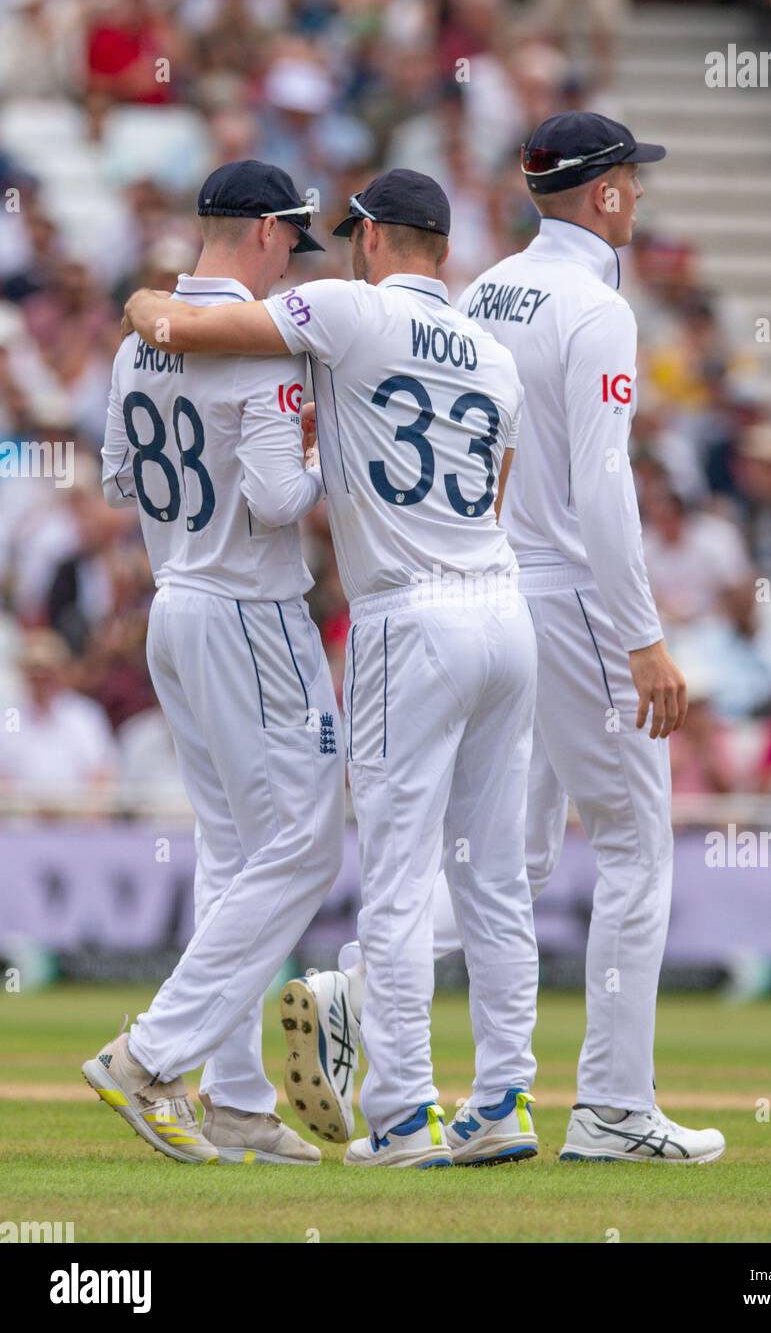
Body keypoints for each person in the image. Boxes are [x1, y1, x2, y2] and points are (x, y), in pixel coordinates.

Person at [328, 115, 727, 1165]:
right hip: (568, 597)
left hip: (487, 581)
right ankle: (612, 1105)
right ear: (602, 196)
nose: (638, 197)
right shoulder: (595, 308)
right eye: (632, 182)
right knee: (638, 847)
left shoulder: (486, 287)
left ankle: (351, 997)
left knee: (516, 856)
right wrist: (641, 635)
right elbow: (601, 482)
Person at [123, 169, 541, 1171]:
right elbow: (499, 490)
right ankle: (505, 1102)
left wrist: (144, 303)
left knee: (393, 882)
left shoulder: (348, 310)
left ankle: (401, 1115)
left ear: (373, 239)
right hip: (501, 606)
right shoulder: (493, 351)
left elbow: (199, 334)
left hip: (408, 616)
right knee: (494, 881)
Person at [85, 160, 345, 1167]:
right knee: (306, 844)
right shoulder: (262, 345)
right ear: (269, 232)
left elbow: (116, 480)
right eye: (292, 240)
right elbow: (282, 501)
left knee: (235, 851)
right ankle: (152, 1054)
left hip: (174, 603)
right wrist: (331, 455)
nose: (291, 262)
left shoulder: (134, 347)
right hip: (250, 607)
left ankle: (235, 1097)